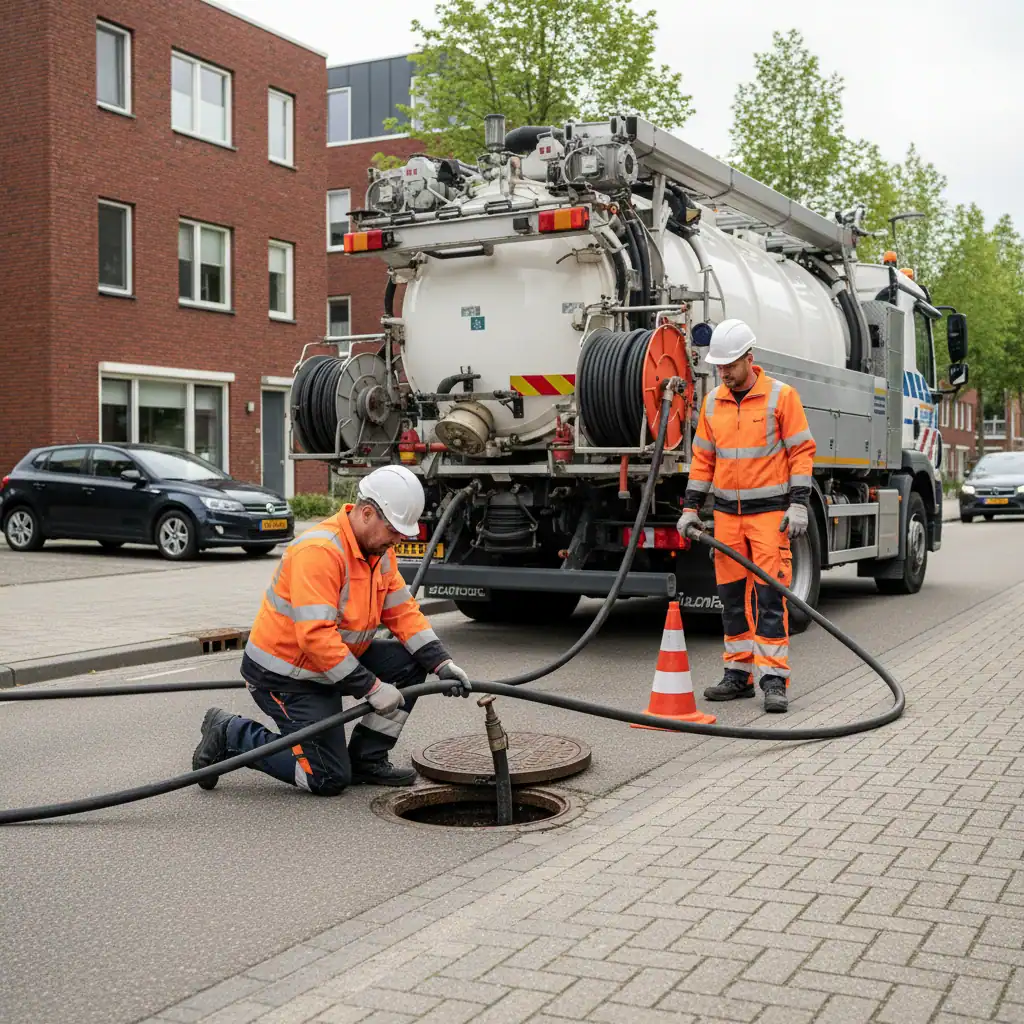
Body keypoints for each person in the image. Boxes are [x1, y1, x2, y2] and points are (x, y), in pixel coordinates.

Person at [191, 464, 471, 793]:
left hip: (331, 665)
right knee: (327, 778)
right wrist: (371, 687)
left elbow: (402, 611)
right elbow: (316, 638)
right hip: (287, 677)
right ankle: (229, 733)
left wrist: (442, 663)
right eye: (394, 530)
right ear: (367, 513)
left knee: (412, 662)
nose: (398, 539)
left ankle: (367, 758)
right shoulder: (319, 553)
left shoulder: (378, 551)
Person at [677, 319, 816, 714]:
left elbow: (801, 452)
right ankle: (738, 675)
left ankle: (774, 680)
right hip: (727, 518)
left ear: (749, 359)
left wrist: (799, 502)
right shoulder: (712, 402)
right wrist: (690, 509)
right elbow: (703, 460)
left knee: (770, 599)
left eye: (730, 366)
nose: (723, 373)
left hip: (769, 516)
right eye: (719, 367)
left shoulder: (780, 397)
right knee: (731, 599)